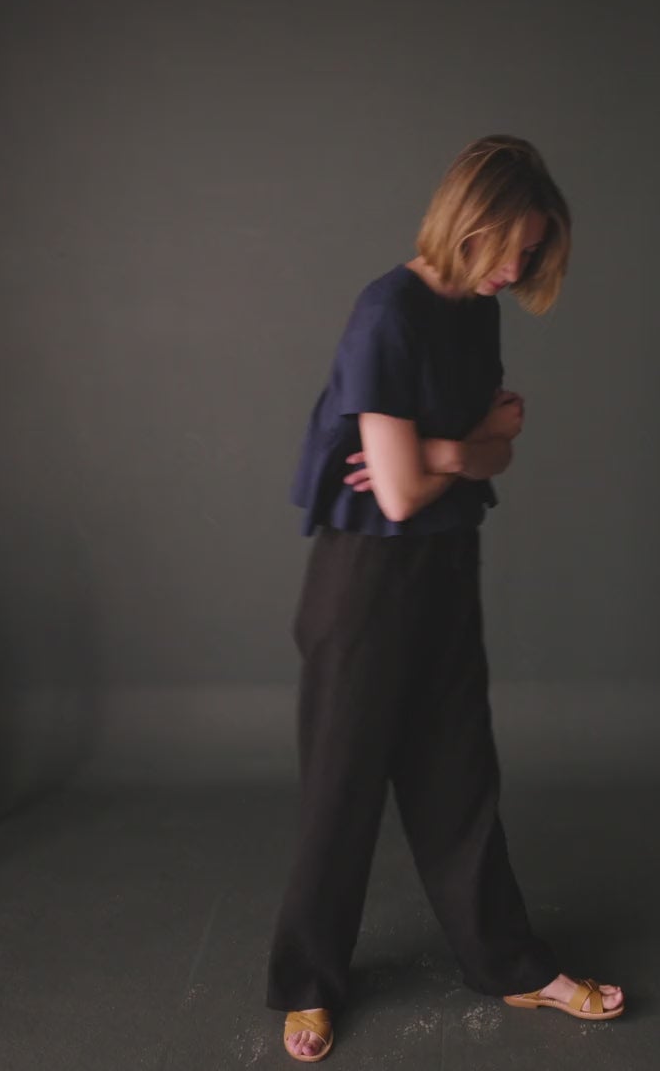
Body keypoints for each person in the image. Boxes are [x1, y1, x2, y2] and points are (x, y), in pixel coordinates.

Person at [267, 135, 625, 1063]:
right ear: (468, 219)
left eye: (532, 253)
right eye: (512, 246)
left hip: (446, 565)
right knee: (342, 790)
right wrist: (467, 448)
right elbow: (394, 495)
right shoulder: (387, 312)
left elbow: (495, 451)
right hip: (365, 580)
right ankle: (307, 985)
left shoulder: (478, 312)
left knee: (461, 778)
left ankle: (512, 964)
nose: (518, 268)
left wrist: (451, 451)